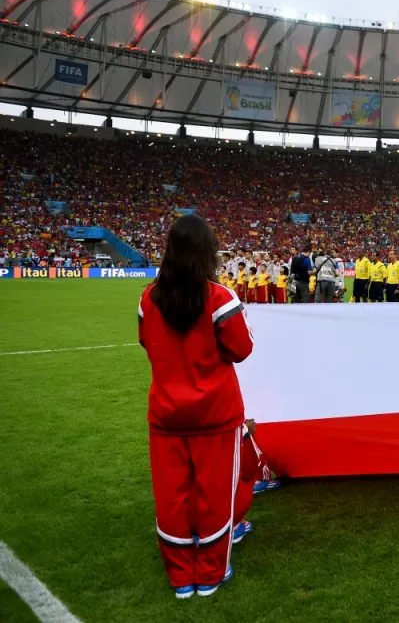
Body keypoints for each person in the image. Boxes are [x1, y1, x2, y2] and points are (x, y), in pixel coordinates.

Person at [138, 215, 253, 599]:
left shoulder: (148, 298)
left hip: (167, 414)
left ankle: (180, 576)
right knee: (215, 495)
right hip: (215, 416)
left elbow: (147, 343)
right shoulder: (220, 298)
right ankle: (209, 574)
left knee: (172, 496)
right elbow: (242, 349)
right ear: (208, 252)